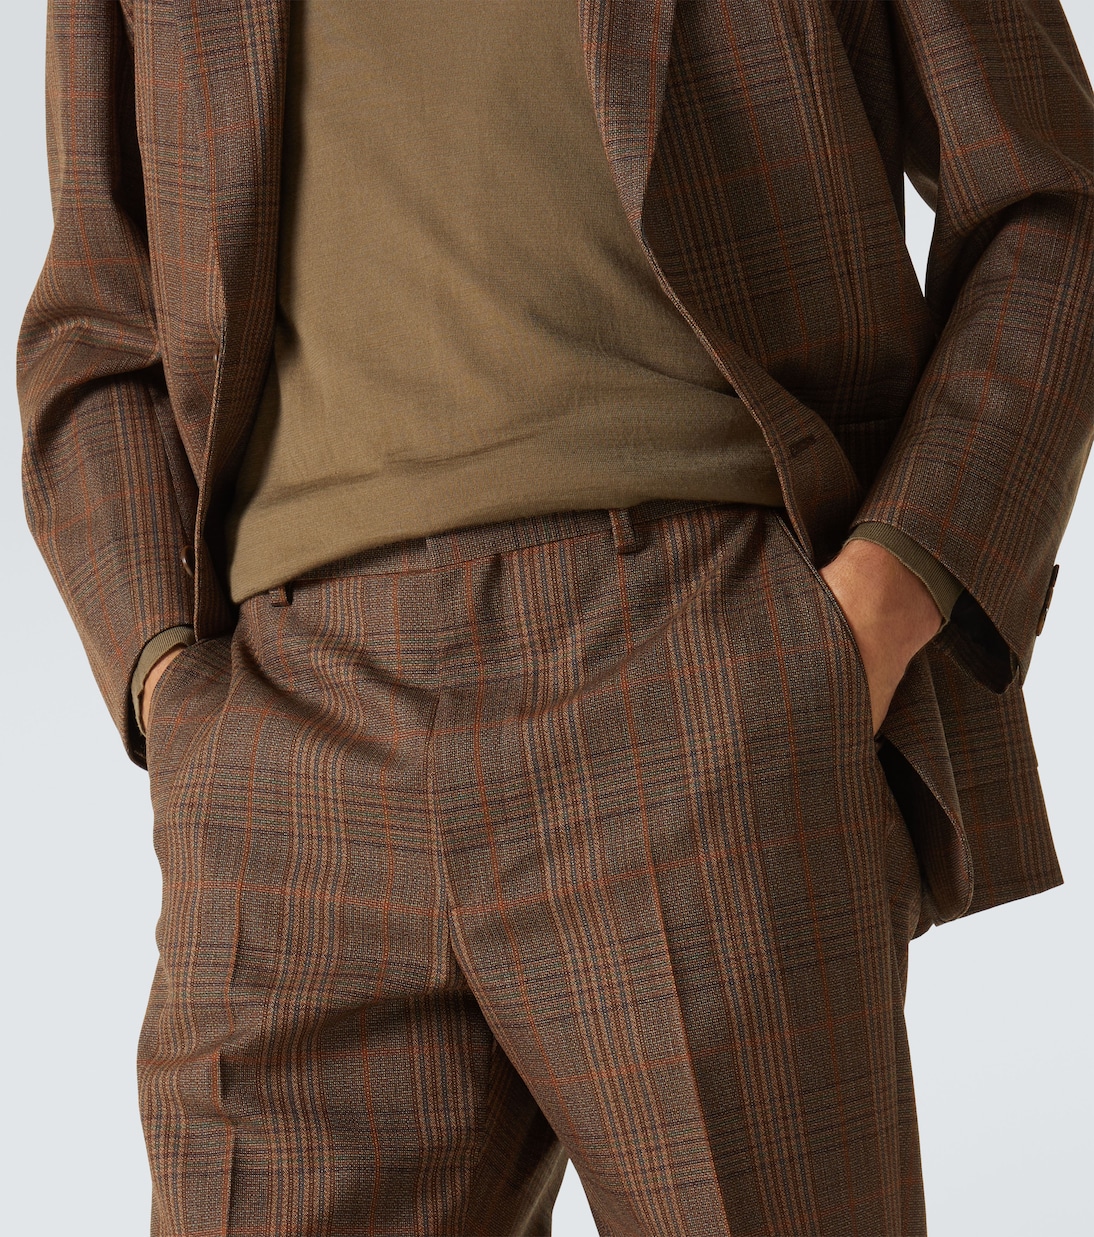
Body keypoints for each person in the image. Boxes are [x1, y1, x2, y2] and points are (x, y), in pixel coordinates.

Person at [16, 1, 1092, 1233]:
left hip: (697, 678)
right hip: (284, 748)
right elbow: (95, 326)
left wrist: (882, 599)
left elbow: (1052, 199)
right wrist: (166, 678)